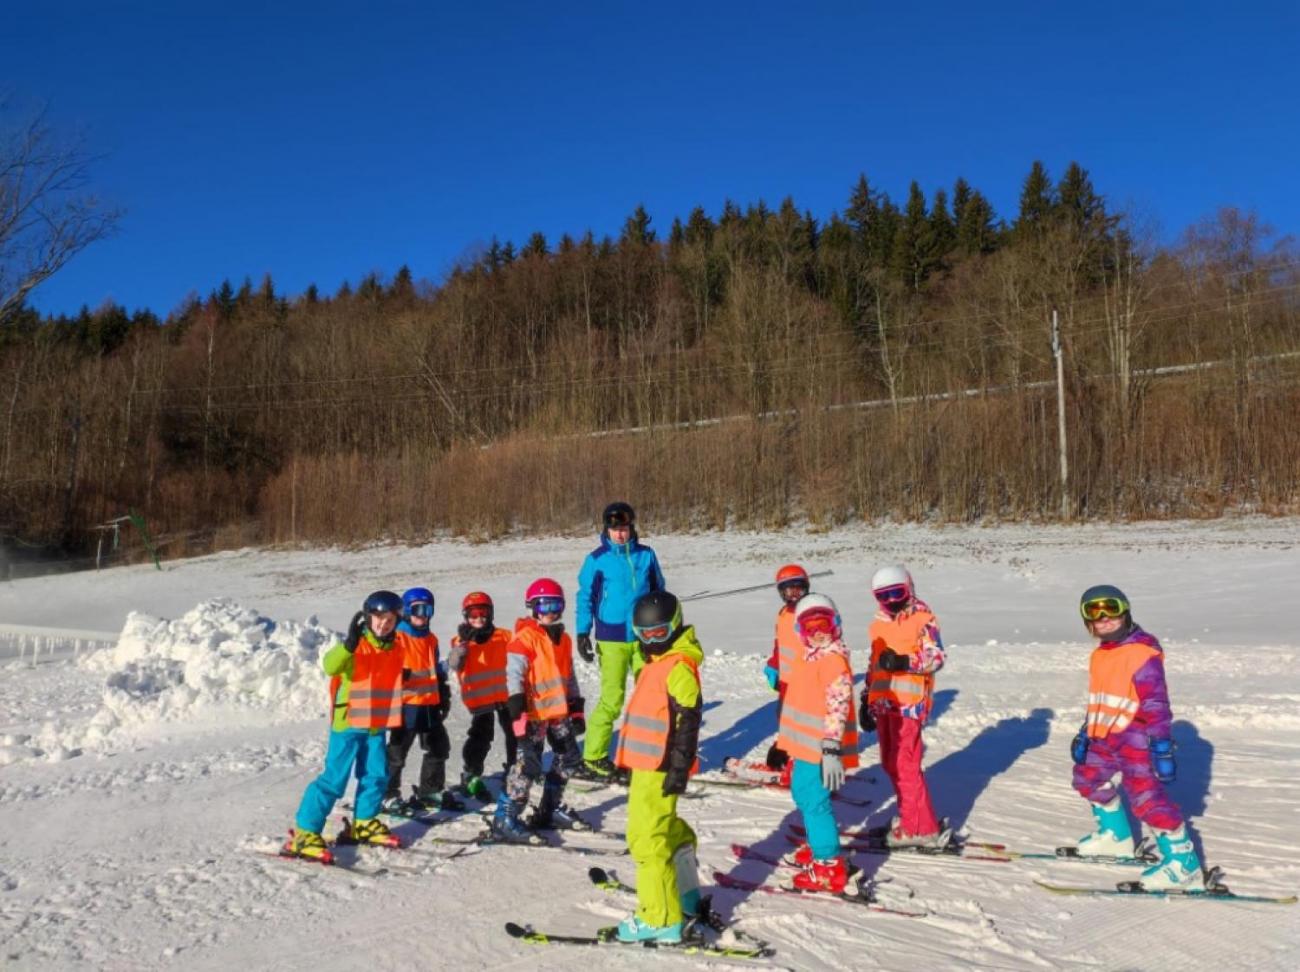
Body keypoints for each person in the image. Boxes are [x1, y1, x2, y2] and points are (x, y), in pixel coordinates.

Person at [1071, 584, 1204, 890]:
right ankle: (1116, 838)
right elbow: (1103, 695)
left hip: (1136, 738)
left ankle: (1184, 865)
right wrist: (1086, 730)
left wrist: (1160, 745)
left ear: (1125, 611)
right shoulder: (1101, 655)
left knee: (1146, 799)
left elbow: (1156, 702)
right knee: (1087, 778)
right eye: (1094, 612)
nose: (1105, 618)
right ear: (1087, 621)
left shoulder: (1141, 653)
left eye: (1112, 609)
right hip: (1104, 735)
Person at [286, 591, 406, 861]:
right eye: (377, 619)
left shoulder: (396, 648)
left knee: (375, 776)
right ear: (367, 618)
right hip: (348, 723)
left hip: (377, 725)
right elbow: (330, 666)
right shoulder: (356, 645)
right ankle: (306, 831)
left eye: (389, 619)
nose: (383, 624)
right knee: (334, 780)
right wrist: (348, 646)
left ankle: (364, 821)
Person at [614, 591, 704, 943]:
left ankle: (661, 919)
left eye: (659, 633)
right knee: (667, 830)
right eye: (644, 633)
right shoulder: (657, 661)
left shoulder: (678, 666)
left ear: (676, 624)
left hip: (662, 768)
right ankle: (685, 893)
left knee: (646, 841)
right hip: (646, 765)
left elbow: (688, 722)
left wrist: (679, 770)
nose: (651, 640)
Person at [574, 501, 666, 781]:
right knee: (612, 700)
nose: (620, 534)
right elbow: (585, 596)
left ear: (631, 528)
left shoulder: (646, 556)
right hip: (611, 639)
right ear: (607, 530)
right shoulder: (597, 559)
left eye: (624, 529)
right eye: (615, 530)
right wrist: (582, 632)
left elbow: (659, 591)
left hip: (644, 638)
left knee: (648, 699)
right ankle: (593, 757)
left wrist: (664, 630)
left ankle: (642, 754)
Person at [860, 565, 950, 849]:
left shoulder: (922, 618)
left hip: (908, 707)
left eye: (896, 593)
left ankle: (921, 829)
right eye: (883, 596)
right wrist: (867, 698)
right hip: (885, 704)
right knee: (891, 764)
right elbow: (874, 664)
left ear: (909, 588)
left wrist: (904, 663)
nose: (891, 601)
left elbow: (936, 657)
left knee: (906, 767)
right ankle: (910, 816)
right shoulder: (879, 624)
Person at [490, 578, 587, 842]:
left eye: (556, 604)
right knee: (527, 767)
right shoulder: (525, 638)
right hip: (532, 715)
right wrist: (517, 711)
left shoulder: (563, 639)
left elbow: (569, 677)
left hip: (557, 713)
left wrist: (576, 707)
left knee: (569, 757)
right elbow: (513, 676)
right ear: (532, 607)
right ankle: (505, 817)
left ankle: (549, 808)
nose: (550, 611)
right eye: (543, 605)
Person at [780, 593, 859, 894]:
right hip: (803, 747)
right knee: (802, 793)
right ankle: (818, 846)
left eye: (823, 624)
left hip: (819, 748)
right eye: (810, 627)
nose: (818, 633)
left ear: (836, 623)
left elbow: (837, 707)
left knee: (814, 801)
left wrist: (830, 747)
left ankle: (828, 865)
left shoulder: (833, 660)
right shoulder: (809, 657)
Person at [383, 587, 462, 812]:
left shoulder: (431, 639)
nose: (422, 614)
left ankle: (431, 790)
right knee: (397, 753)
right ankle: (386, 794)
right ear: (406, 611)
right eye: (417, 609)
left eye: (427, 609)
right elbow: (388, 669)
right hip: (406, 705)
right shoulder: (398, 636)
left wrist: (443, 694)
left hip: (428, 704)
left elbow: (434, 670)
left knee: (439, 748)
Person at [448, 591, 516, 800]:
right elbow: (454, 664)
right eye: (473, 614)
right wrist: (462, 647)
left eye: (483, 613)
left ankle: (515, 768)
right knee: (481, 737)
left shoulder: (504, 636)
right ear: (466, 616)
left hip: (507, 695)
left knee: (515, 732)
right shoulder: (460, 641)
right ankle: (471, 773)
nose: (478, 619)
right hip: (480, 698)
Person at [762, 563, 811, 777]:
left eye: (798, 587)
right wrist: (773, 666)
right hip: (787, 681)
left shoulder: (812, 612)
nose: (793, 593)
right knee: (785, 717)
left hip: (807, 681)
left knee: (805, 722)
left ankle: (804, 761)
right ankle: (787, 750)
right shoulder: (783, 614)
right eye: (788, 589)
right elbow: (780, 644)